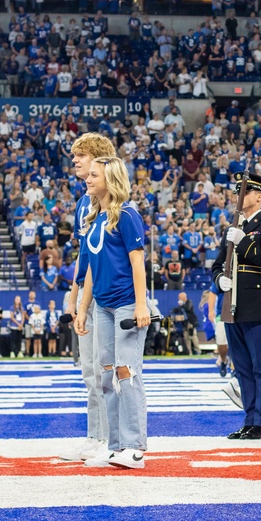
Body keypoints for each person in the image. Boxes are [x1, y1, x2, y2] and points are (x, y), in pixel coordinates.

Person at [74, 155, 151, 469]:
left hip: (126, 305)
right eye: (88, 174)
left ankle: (135, 446)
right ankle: (114, 445)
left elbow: (137, 262)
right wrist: (82, 308)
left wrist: (142, 304)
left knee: (126, 371)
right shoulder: (95, 218)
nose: (88, 180)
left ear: (111, 178)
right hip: (102, 307)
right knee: (105, 374)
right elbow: (91, 268)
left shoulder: (128, 214)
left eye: (94, 175)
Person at [60, 132, 116, 463]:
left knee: (104, 368)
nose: (76, 161)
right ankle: (95, 434)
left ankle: (109, 437)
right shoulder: (83, 202)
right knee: (89, 370)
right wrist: (74, 296)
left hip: (107, 293)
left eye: (82, 155)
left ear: (98, 158)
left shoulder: (111, 199)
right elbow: (84, 255)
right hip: (87, 293)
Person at [213, 171, 261, 440]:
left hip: (255, 302)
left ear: (258, 196)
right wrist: (220, 280)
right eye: (236, 192)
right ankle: (250, 419)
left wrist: (244, 241)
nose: (238, 197)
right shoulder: (232, 227)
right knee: (242, 366)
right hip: (233, 304)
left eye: (244, 192)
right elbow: (218, 264)